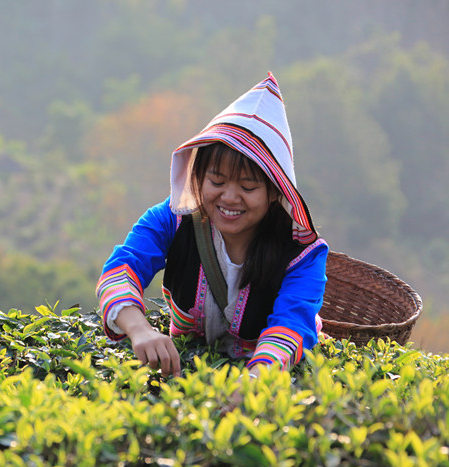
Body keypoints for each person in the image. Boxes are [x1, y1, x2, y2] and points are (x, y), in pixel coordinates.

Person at [96, 73, 328, 378]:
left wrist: (256, 380)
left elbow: (293, 324)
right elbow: (121, 269)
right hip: (189, 370)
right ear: (198, 176)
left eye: (248, 187)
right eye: (216, 181)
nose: (230, 198)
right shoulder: (173, 220)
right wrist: (140, 330)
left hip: (268, 376)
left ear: (275, 190)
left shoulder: (302, 254)